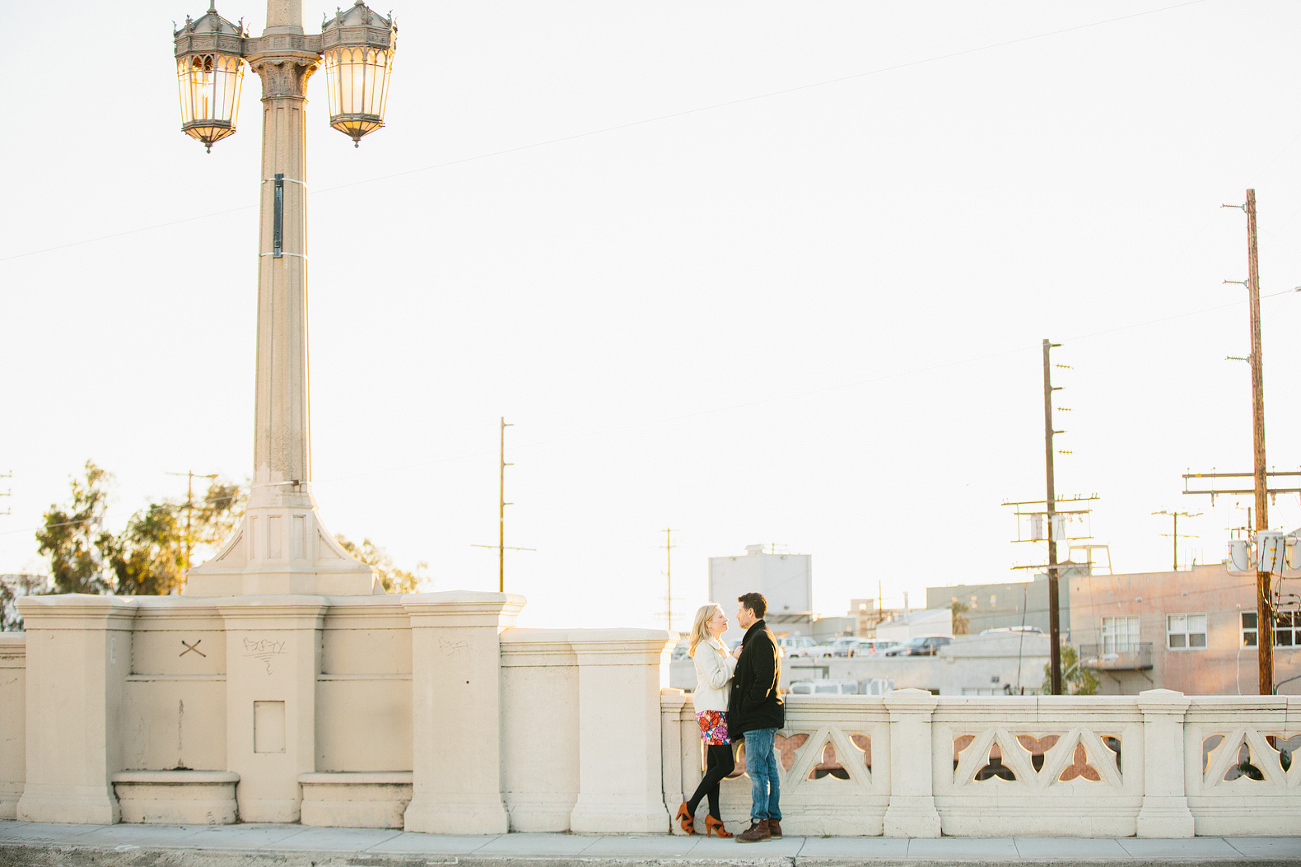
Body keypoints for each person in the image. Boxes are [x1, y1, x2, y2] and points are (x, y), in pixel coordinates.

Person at [676, 603, 737, 837]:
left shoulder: (718, 646)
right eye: (720, 616)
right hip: (712, 712)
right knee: (726, 766)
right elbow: (715, 679)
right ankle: (689, 807)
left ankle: (715, 818)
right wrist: (734, 659)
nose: (725, 619)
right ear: (708, 623)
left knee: (714, 767)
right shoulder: (703, 647)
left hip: (720, 711)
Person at [727, 591, 784, 843]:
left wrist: (747, 706)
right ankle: (772, 822)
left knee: (757, 770)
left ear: (751, 612)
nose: (737, 614)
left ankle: (760, 823)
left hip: (758, 718)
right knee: (768, 768)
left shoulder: (759, 638)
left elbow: (764, 680)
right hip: (761, 717)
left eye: (740, 610)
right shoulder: (760, 636)